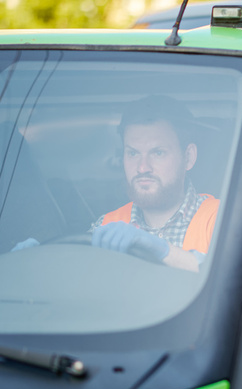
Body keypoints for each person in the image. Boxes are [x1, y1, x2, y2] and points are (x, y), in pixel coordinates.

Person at [90, 95, 219, 272]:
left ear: (188, 157)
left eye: (158, 153)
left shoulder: (220, 219)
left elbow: (236, 279)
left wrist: (162, 251)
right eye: (133, 153)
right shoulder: (106, 225)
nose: (142, 168)